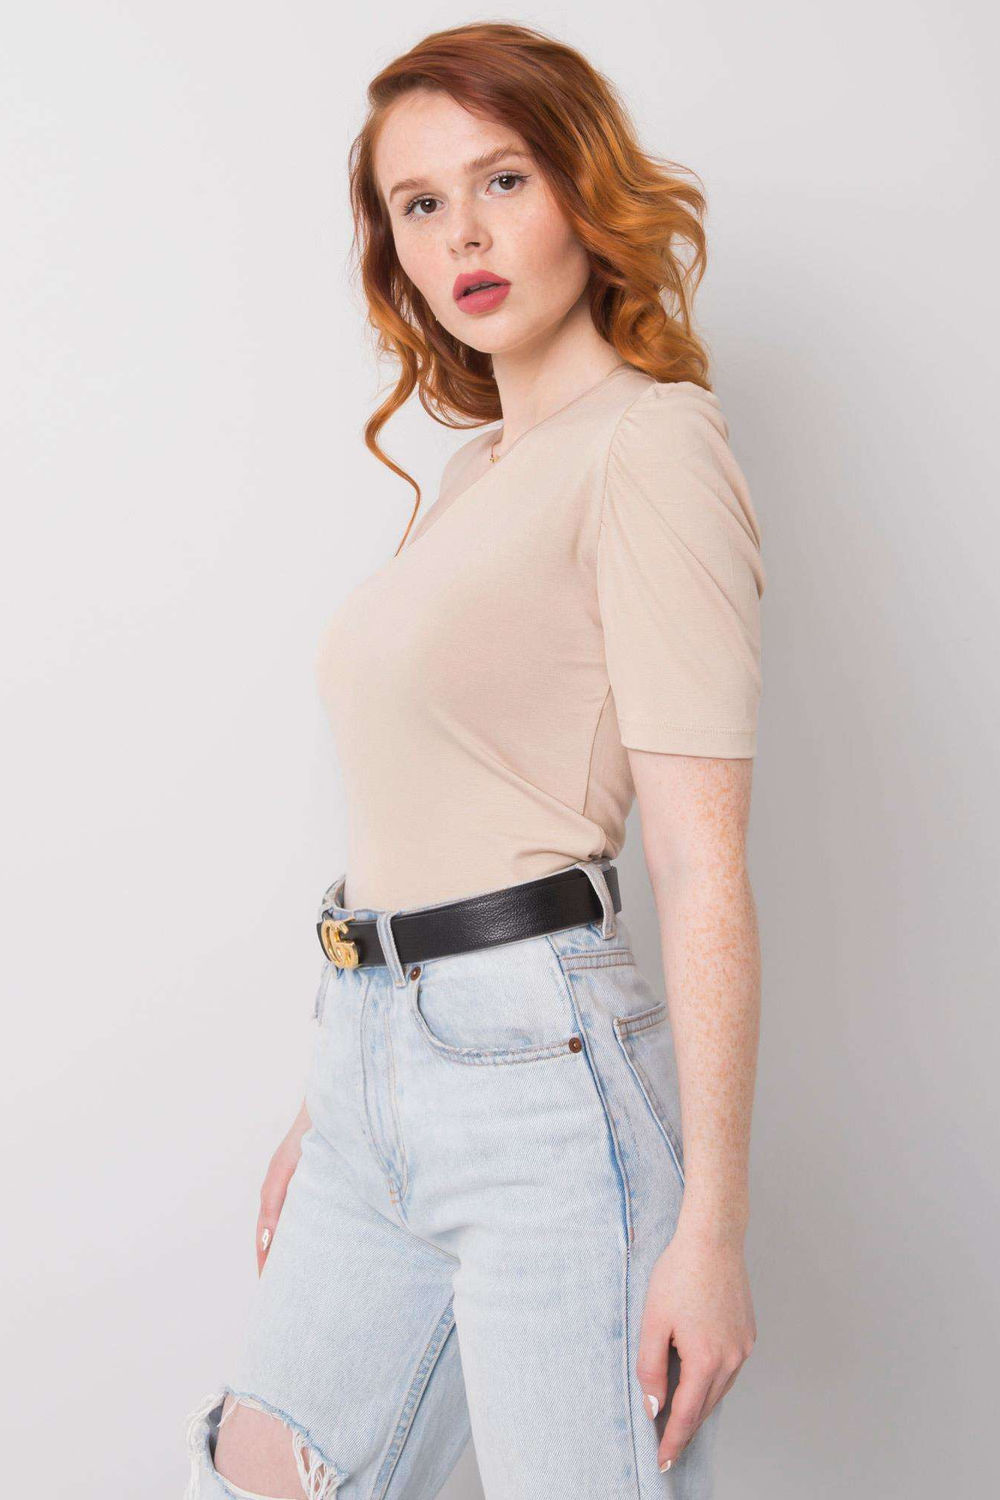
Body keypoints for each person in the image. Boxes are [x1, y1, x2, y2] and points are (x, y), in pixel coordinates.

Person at [184, 20, 765, 1500]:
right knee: (262, 1468)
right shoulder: (471, 475)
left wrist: (711, 1231)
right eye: (420, 203)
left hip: (542, 1079)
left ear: (582, 186)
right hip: (378, 1055)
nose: (464, 235)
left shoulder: (651, 445)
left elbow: (700, 860)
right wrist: (344, 1101)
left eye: (502, 179)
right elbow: (424, 809)